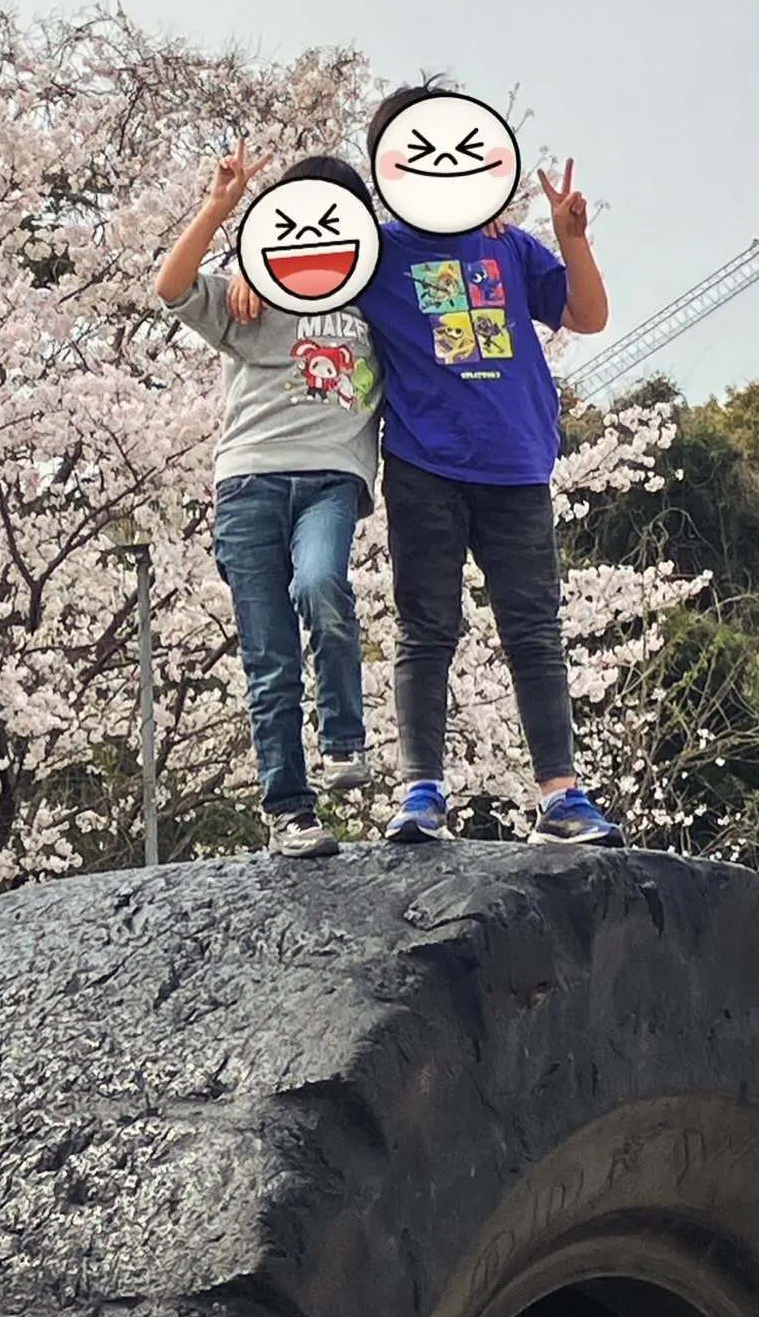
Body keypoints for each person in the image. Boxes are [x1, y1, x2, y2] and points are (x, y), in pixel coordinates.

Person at [227, 82, 624, 847]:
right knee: (425, 629)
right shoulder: (374, 252)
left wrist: (573, 237)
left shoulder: (507, 244)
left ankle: (562, 796)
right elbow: (301, 270)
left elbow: (587, 315)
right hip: (423, 463)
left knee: (534, 630)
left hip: (517, 461)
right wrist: (254, 269)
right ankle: (421, 794)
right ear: (391, 167)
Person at [155, 142, 384, 858]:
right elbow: (169, 287)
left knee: (322, 584)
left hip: (331, 475)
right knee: (270, 657)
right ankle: (290, 809)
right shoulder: (249, 292)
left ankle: (344, 738)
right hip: (249, 480)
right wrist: (221, 205)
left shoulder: (373, 296)